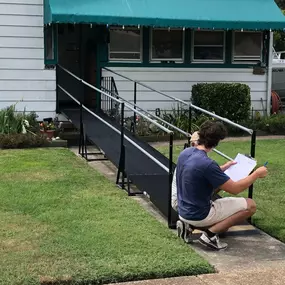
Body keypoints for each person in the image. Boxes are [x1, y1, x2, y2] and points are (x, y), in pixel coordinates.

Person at [176, 120, 268, 250]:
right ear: (217, 141)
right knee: (250, 205)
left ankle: (189, 226)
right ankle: (210, 235)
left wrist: (224, 167)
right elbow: (235, 189)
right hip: (199, 214)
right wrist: (256, 174)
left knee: (218, 187)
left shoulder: (186, 153)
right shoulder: (207, 164)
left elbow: (199, 173)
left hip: (183, 211)